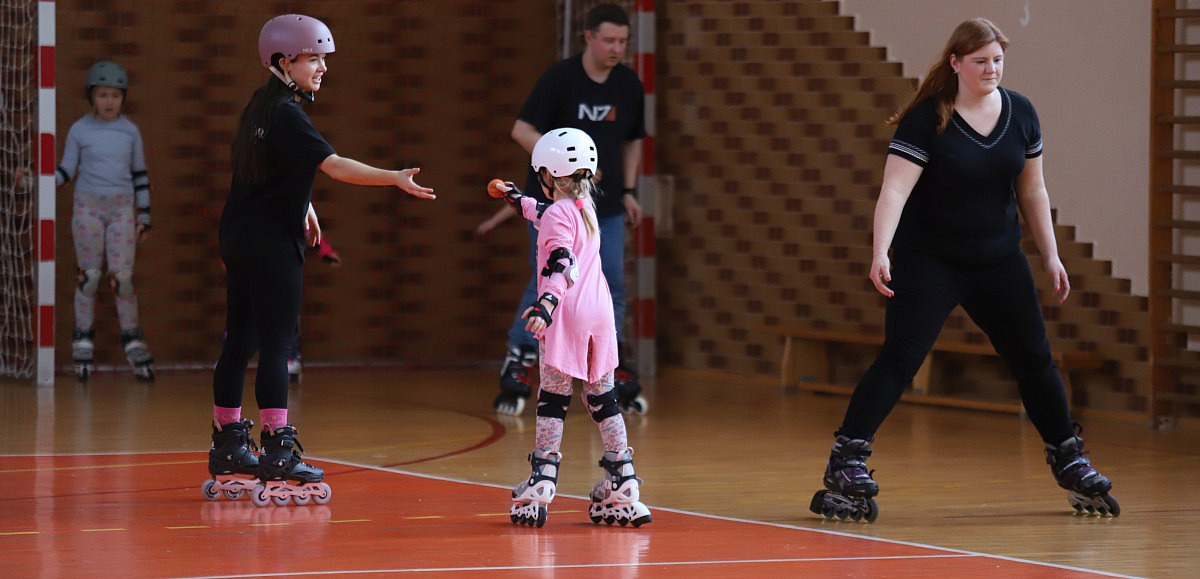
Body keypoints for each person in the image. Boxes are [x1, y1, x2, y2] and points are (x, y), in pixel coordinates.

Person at [809, 18, 1118, 522]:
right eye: (980, 62)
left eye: (998, 60)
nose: (991, 69)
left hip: (997, 259)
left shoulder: (1021, 113)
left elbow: (1032, 189)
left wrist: (1052, 254)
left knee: (1035, 358)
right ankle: (847, 459)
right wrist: (880, 251)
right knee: (900, 359)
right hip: (929, 259)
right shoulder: (928, 118)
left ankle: (1069, 455)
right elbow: (895, 190)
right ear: (956, 63)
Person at [205, 13, 435, 507]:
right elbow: (334, 166)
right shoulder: (289, 113)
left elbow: (265, 169)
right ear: (284, 61)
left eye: (324, 59)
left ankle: (227, 444)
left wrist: (303, 205)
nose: (323, 68)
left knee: (239, 339)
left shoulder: (259, 106)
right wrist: (393, 177)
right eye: (315, 58)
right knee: (276, 345)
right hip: (270, 245)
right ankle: (277, 451)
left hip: (239, 236)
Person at [489, 3, 648, 417]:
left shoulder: (628, 84)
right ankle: (521, 358)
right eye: (609, 40)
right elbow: (521, 130)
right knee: (550, 275)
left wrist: (629, 189)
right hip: (555, 202)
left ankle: (606, 359)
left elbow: (633, 139)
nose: (616, 48)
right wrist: (564, 166)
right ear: (589, 38)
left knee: (609, 283)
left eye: (623, 42)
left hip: (604, 207)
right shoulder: (561, 79)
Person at [501, 128, 651, 528]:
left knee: (554, 396)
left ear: (550, 175)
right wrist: (516, 199)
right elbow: (548, 216)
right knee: (604, 400)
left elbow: (561, 260)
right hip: (599, 313)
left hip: (566, 314)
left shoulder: (559, 213)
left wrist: (546, 303)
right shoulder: (584, 204)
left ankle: (543, 476)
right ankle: (622, 479)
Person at [55, 60, 156, 382]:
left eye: (114, 95)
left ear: (123, 97)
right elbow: (66, 171)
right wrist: (36, 181)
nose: (109, 101)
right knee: (89, 276)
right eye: (102, 95)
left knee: (122, 278)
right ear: (92, 97)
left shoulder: (129, 131)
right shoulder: (80, 130)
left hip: (122, 209)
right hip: (87, 207)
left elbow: (140, 174)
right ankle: (82, 336)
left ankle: (132, 337)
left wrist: (145, 215)